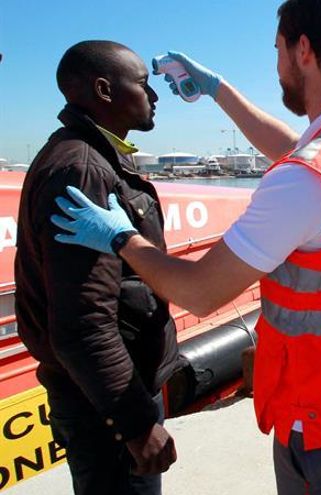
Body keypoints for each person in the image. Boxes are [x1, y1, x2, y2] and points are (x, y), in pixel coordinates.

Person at [50, 1, 321, 493]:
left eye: (278, 49)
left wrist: (121, 237)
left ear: (302, 49)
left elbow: (199, 292)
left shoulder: (304, 182)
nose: (276, 62)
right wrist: (218, 89)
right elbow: (300, 150)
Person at [15, 41, 177, 494]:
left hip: (105, 396)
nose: (155, 96)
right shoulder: (83, 170)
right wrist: (136, 424)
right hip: (106, 409)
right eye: (144, 84)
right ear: (105, 90)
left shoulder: (94, 158)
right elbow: (83, 321)